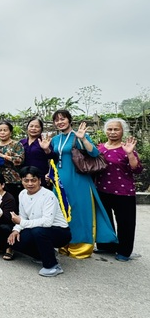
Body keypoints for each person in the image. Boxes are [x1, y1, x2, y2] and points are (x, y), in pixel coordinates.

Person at [51, 109, 117, 258]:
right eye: (57, 120)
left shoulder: (80, 136)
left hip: (78, 181)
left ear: (69, 120)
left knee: (79, 213)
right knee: (62, 213)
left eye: (63, 119)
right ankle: (64, 244)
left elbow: (94, 154)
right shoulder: (55, 139)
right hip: (60, 182)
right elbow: (54, 159)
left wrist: (84, 139)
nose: (60, 122)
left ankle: (80, 246)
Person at [8, 166, 72, 277]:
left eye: (33, 180)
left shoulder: (48, 196)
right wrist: (16, 230)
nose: (30, 184)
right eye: (26, 180)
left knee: (38, 231)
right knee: (15, 240)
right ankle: (42, 255)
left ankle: (52, 266)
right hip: (37, 229)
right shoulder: (22, 194)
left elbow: (47, 222)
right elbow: (23, 216)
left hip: (60, 232)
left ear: (39, 180)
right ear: (21, 181)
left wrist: (21, 223)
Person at [95, 118, 143, 261]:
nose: (113, 132)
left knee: (125, 222)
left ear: (122, 131)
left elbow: (137, 169)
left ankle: (124, 251)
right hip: (102, 190)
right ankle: (106, 246)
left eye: (116, 129)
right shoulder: (100, 148)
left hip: (123, 192)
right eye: (110, 129)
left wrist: (130, 153)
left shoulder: (126, 148)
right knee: (105, 220)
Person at [0, 121, 24, 202]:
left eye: (5, 130)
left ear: (10, 132)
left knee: (14, 204)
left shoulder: (16, 144)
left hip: (14, 181)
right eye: (0, 130)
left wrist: (4, 156)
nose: (2, 132)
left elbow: (20, 160)